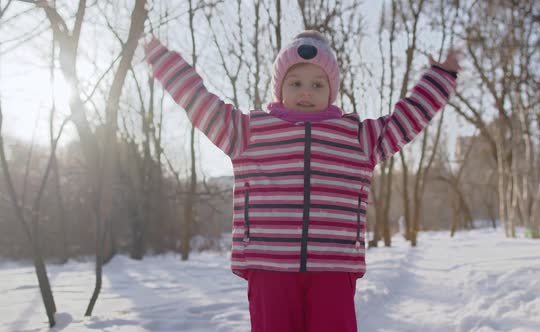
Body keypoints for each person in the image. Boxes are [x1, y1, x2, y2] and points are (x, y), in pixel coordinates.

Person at [143, 30, 460, 332]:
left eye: (317, 84)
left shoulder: (358, 138)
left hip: (333, 268)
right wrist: (164, 61)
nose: (306, 91)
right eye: (295, 82)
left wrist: (438, 79)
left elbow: (406, 120)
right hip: (269, 266)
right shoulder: (249, 133)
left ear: (331, 91)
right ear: (279, 88)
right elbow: (200, 103)